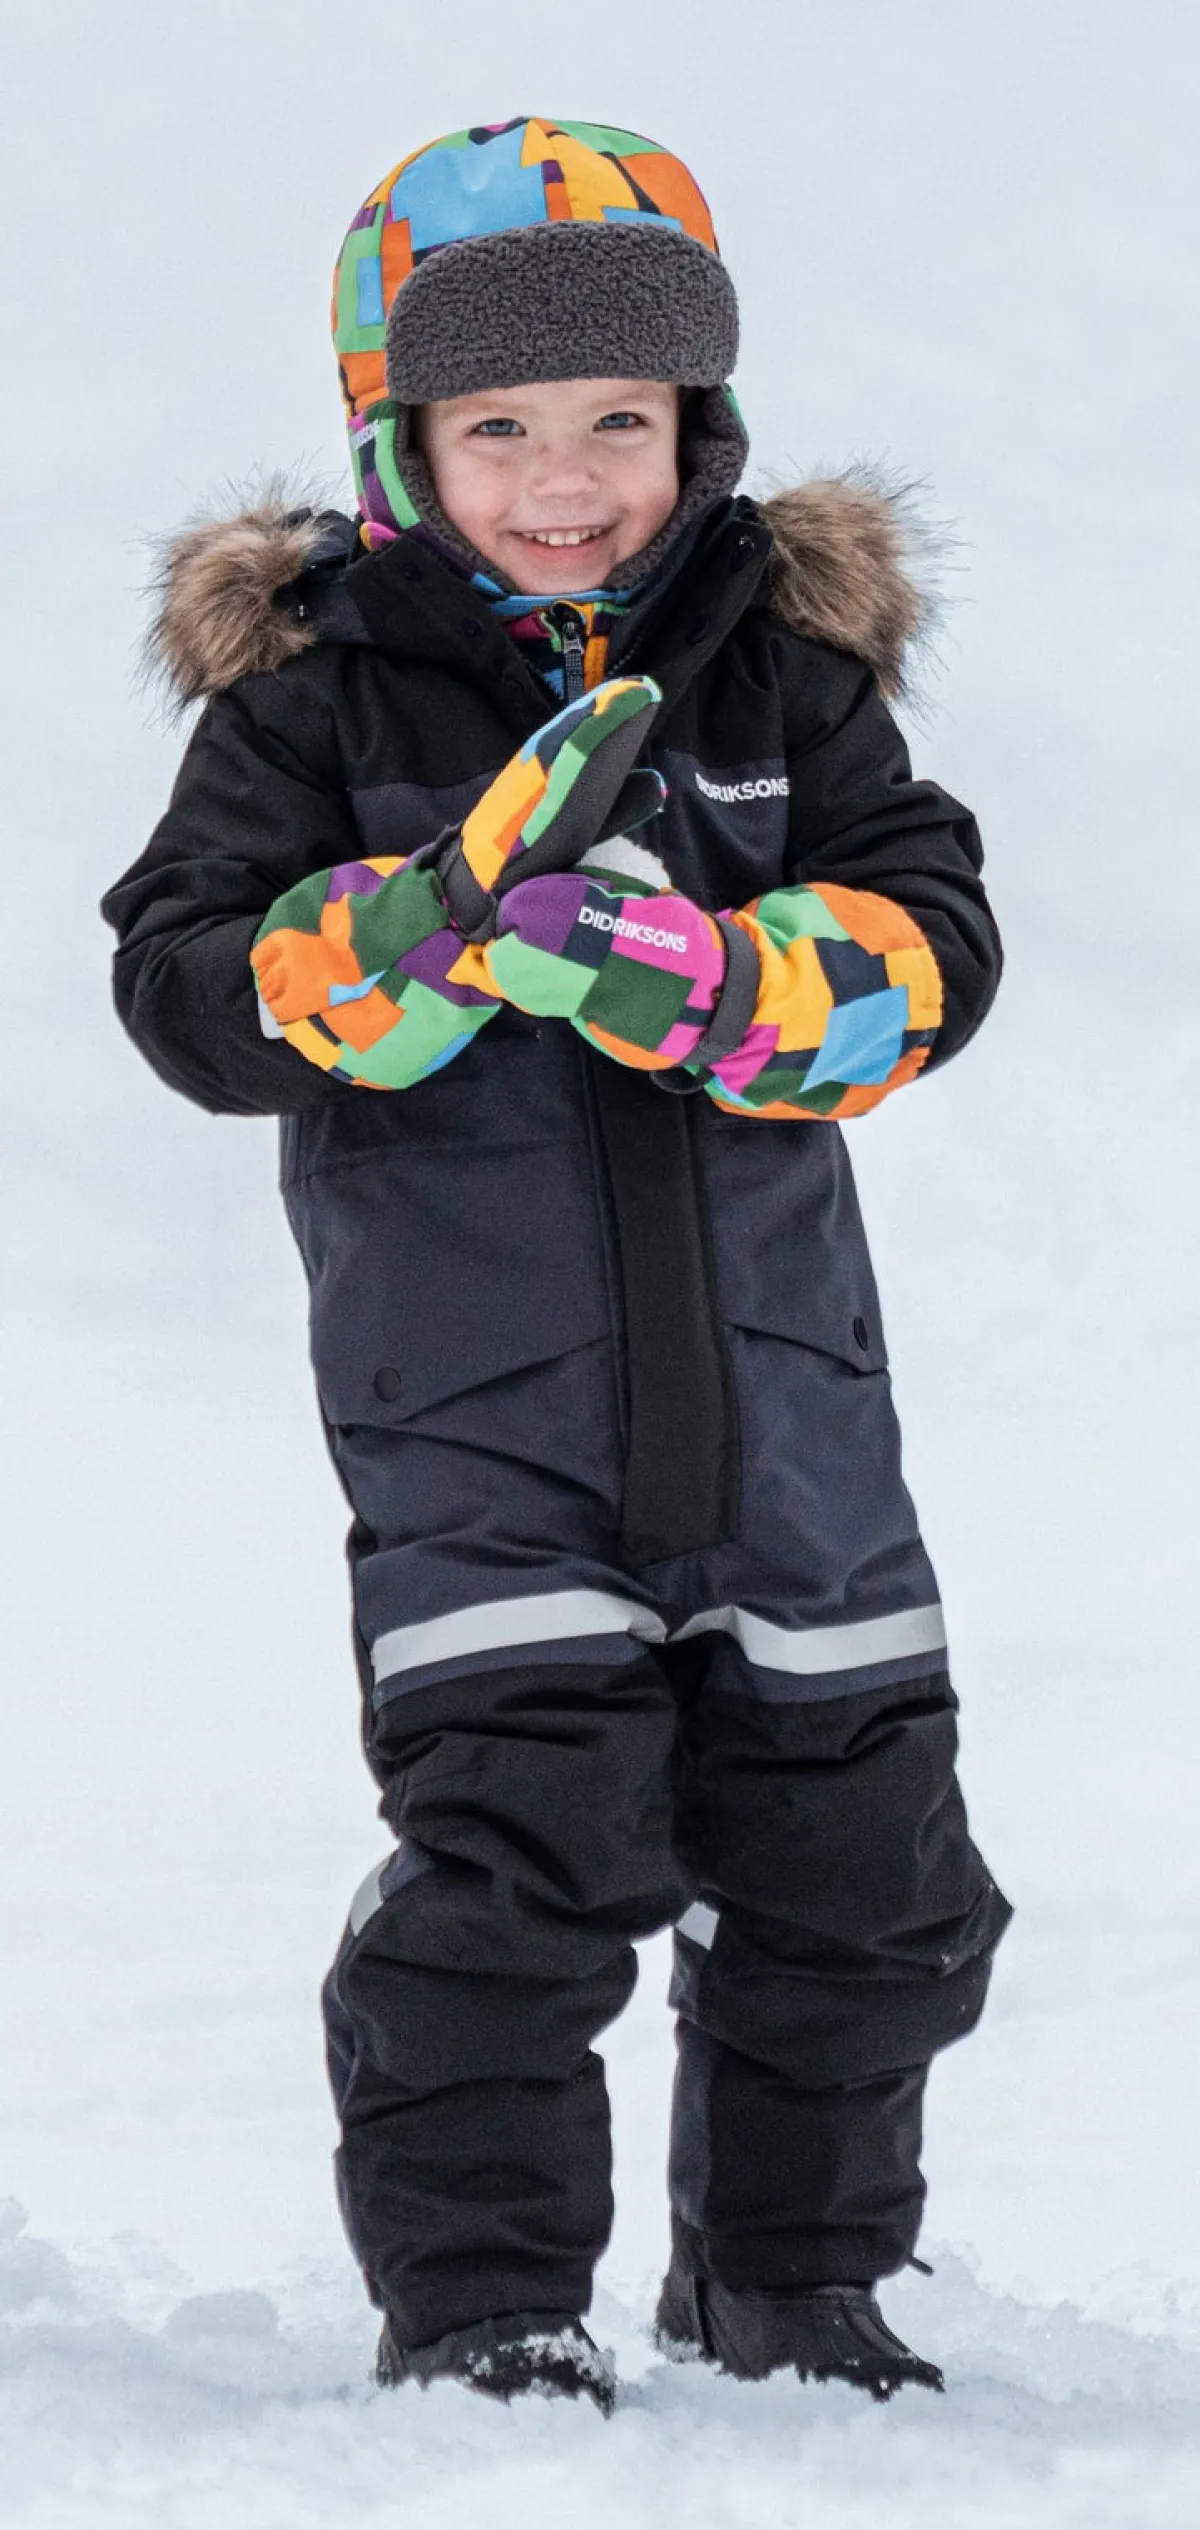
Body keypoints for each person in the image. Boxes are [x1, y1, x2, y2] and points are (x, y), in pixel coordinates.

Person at [102, 117, 1011, 2415]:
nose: (568, 479)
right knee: (520, 1879)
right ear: (396, 442)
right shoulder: (324, 697)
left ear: (704, 427)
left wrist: (728, 977)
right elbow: (190, 987)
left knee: (871, 1878)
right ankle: (487, 2303)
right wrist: (407, 938)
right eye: (497, 426)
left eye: (622, 418)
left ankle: (790, 2279)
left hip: (794, 1424)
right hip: (485, 1434)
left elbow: (938, 933)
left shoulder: (778, 672)